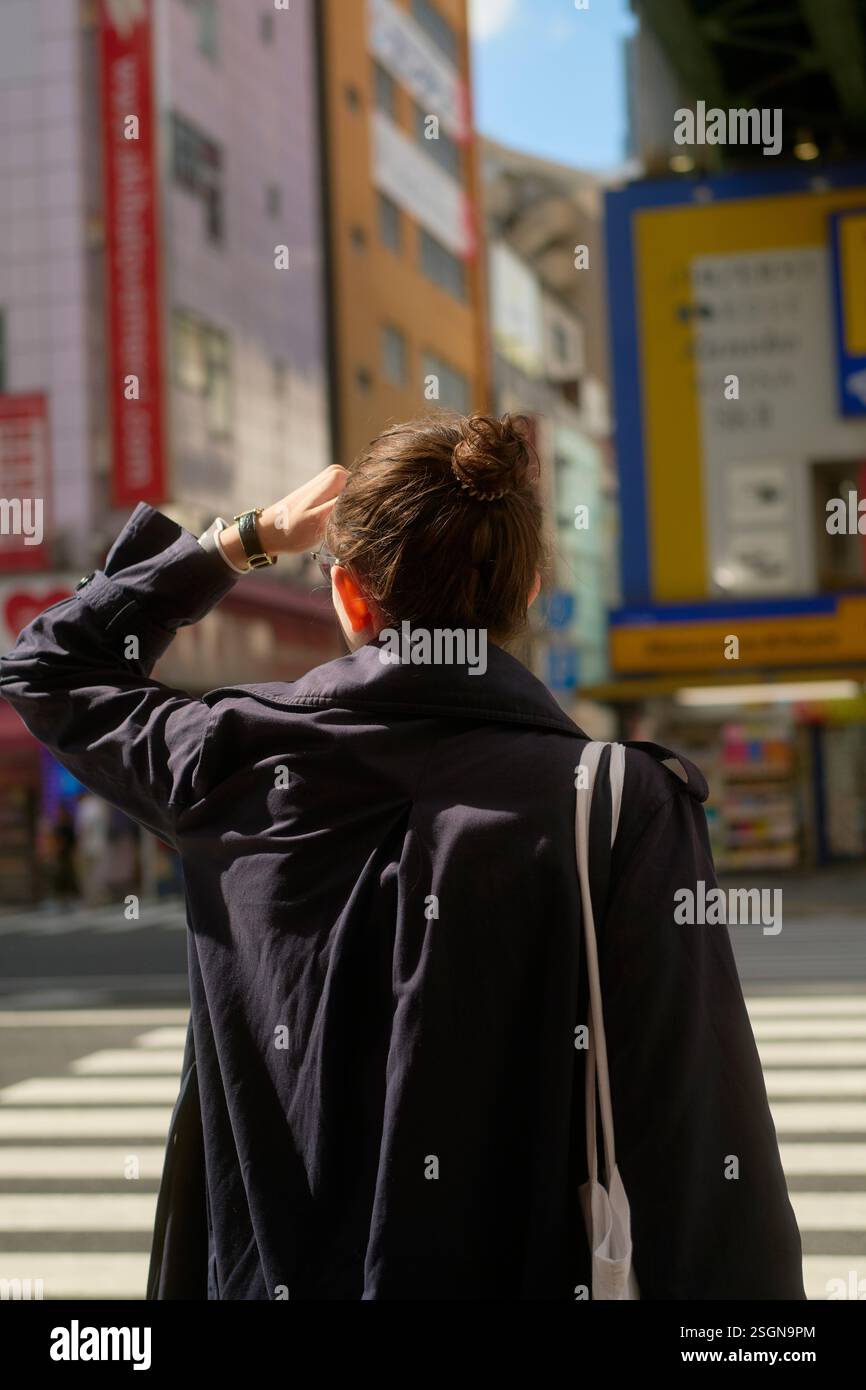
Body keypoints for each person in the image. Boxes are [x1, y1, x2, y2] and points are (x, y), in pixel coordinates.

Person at [0, 413, 804, 1300]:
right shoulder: (615, 803)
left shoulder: (229, 761)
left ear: (349, 596)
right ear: (528, 593)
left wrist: (243, 540)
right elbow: (701, 1133)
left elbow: (50, 667)